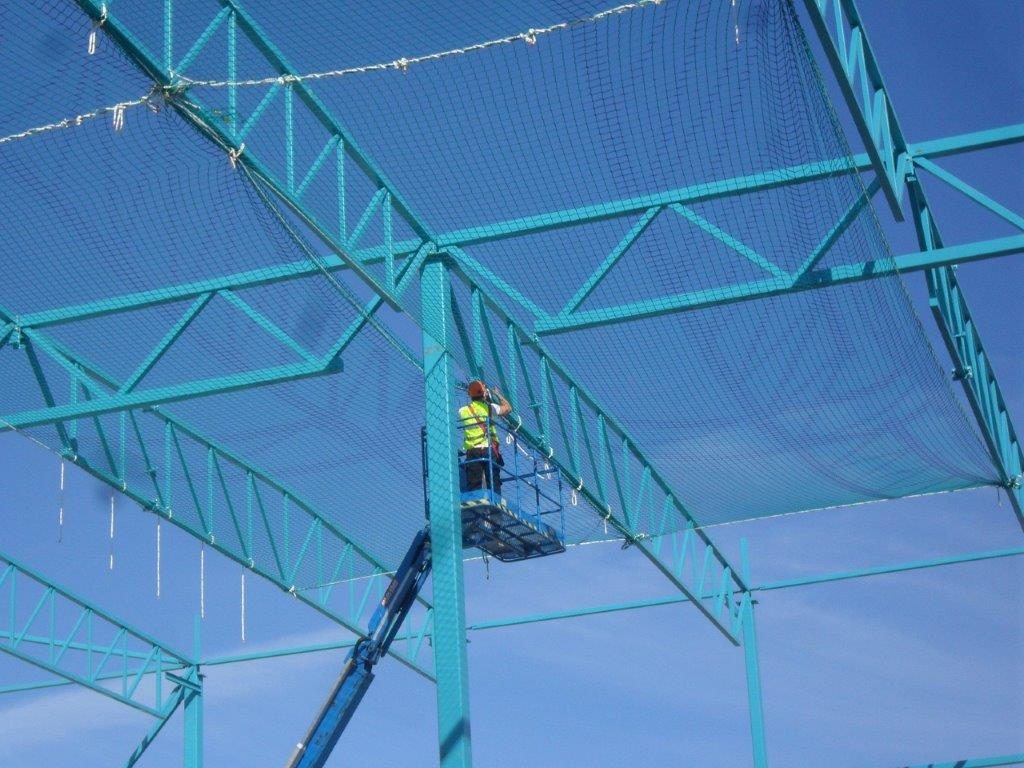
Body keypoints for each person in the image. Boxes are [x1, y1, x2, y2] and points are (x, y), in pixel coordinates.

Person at [459, 380, 511, 494]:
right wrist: (496, 394)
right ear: (484, 393)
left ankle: (475, 507)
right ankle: (495, 508)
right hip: (489, 449)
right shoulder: (490, 408)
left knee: (474, 485)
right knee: (494, 484)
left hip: (472, 451)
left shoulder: (463, 411)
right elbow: (508, 408)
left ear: (469, 394)